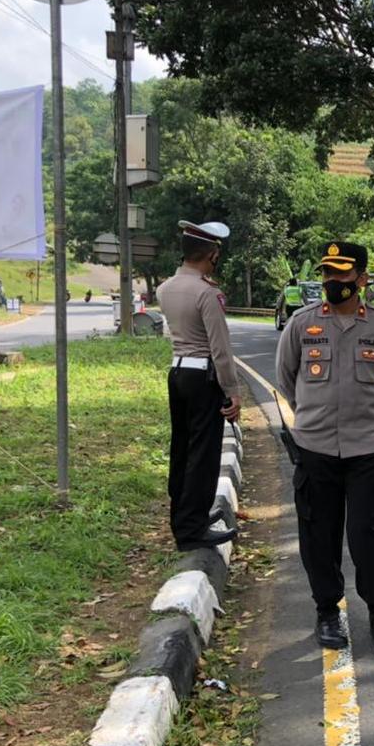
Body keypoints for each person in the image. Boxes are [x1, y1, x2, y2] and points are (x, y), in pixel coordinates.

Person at [276, 241, 374, 655]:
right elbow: (285, 379)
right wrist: (313, 421)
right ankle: (327, 611)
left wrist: (363, 420)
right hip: (315, 447)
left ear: (362, 279)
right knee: (320, 532)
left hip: (366, 448)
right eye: (328, 274)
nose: (333, 282)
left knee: (365, 533)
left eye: (342, 275)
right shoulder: (301, 323)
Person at [155, 220, 241, 551]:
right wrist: (232, 391)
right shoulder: (207, 293)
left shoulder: (165, 288)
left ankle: (185, 517)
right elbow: (220, 349)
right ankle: (192, 531)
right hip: (203, 377)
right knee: (203, 455)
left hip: (177, 373)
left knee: (182, 449)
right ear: (212, 254)